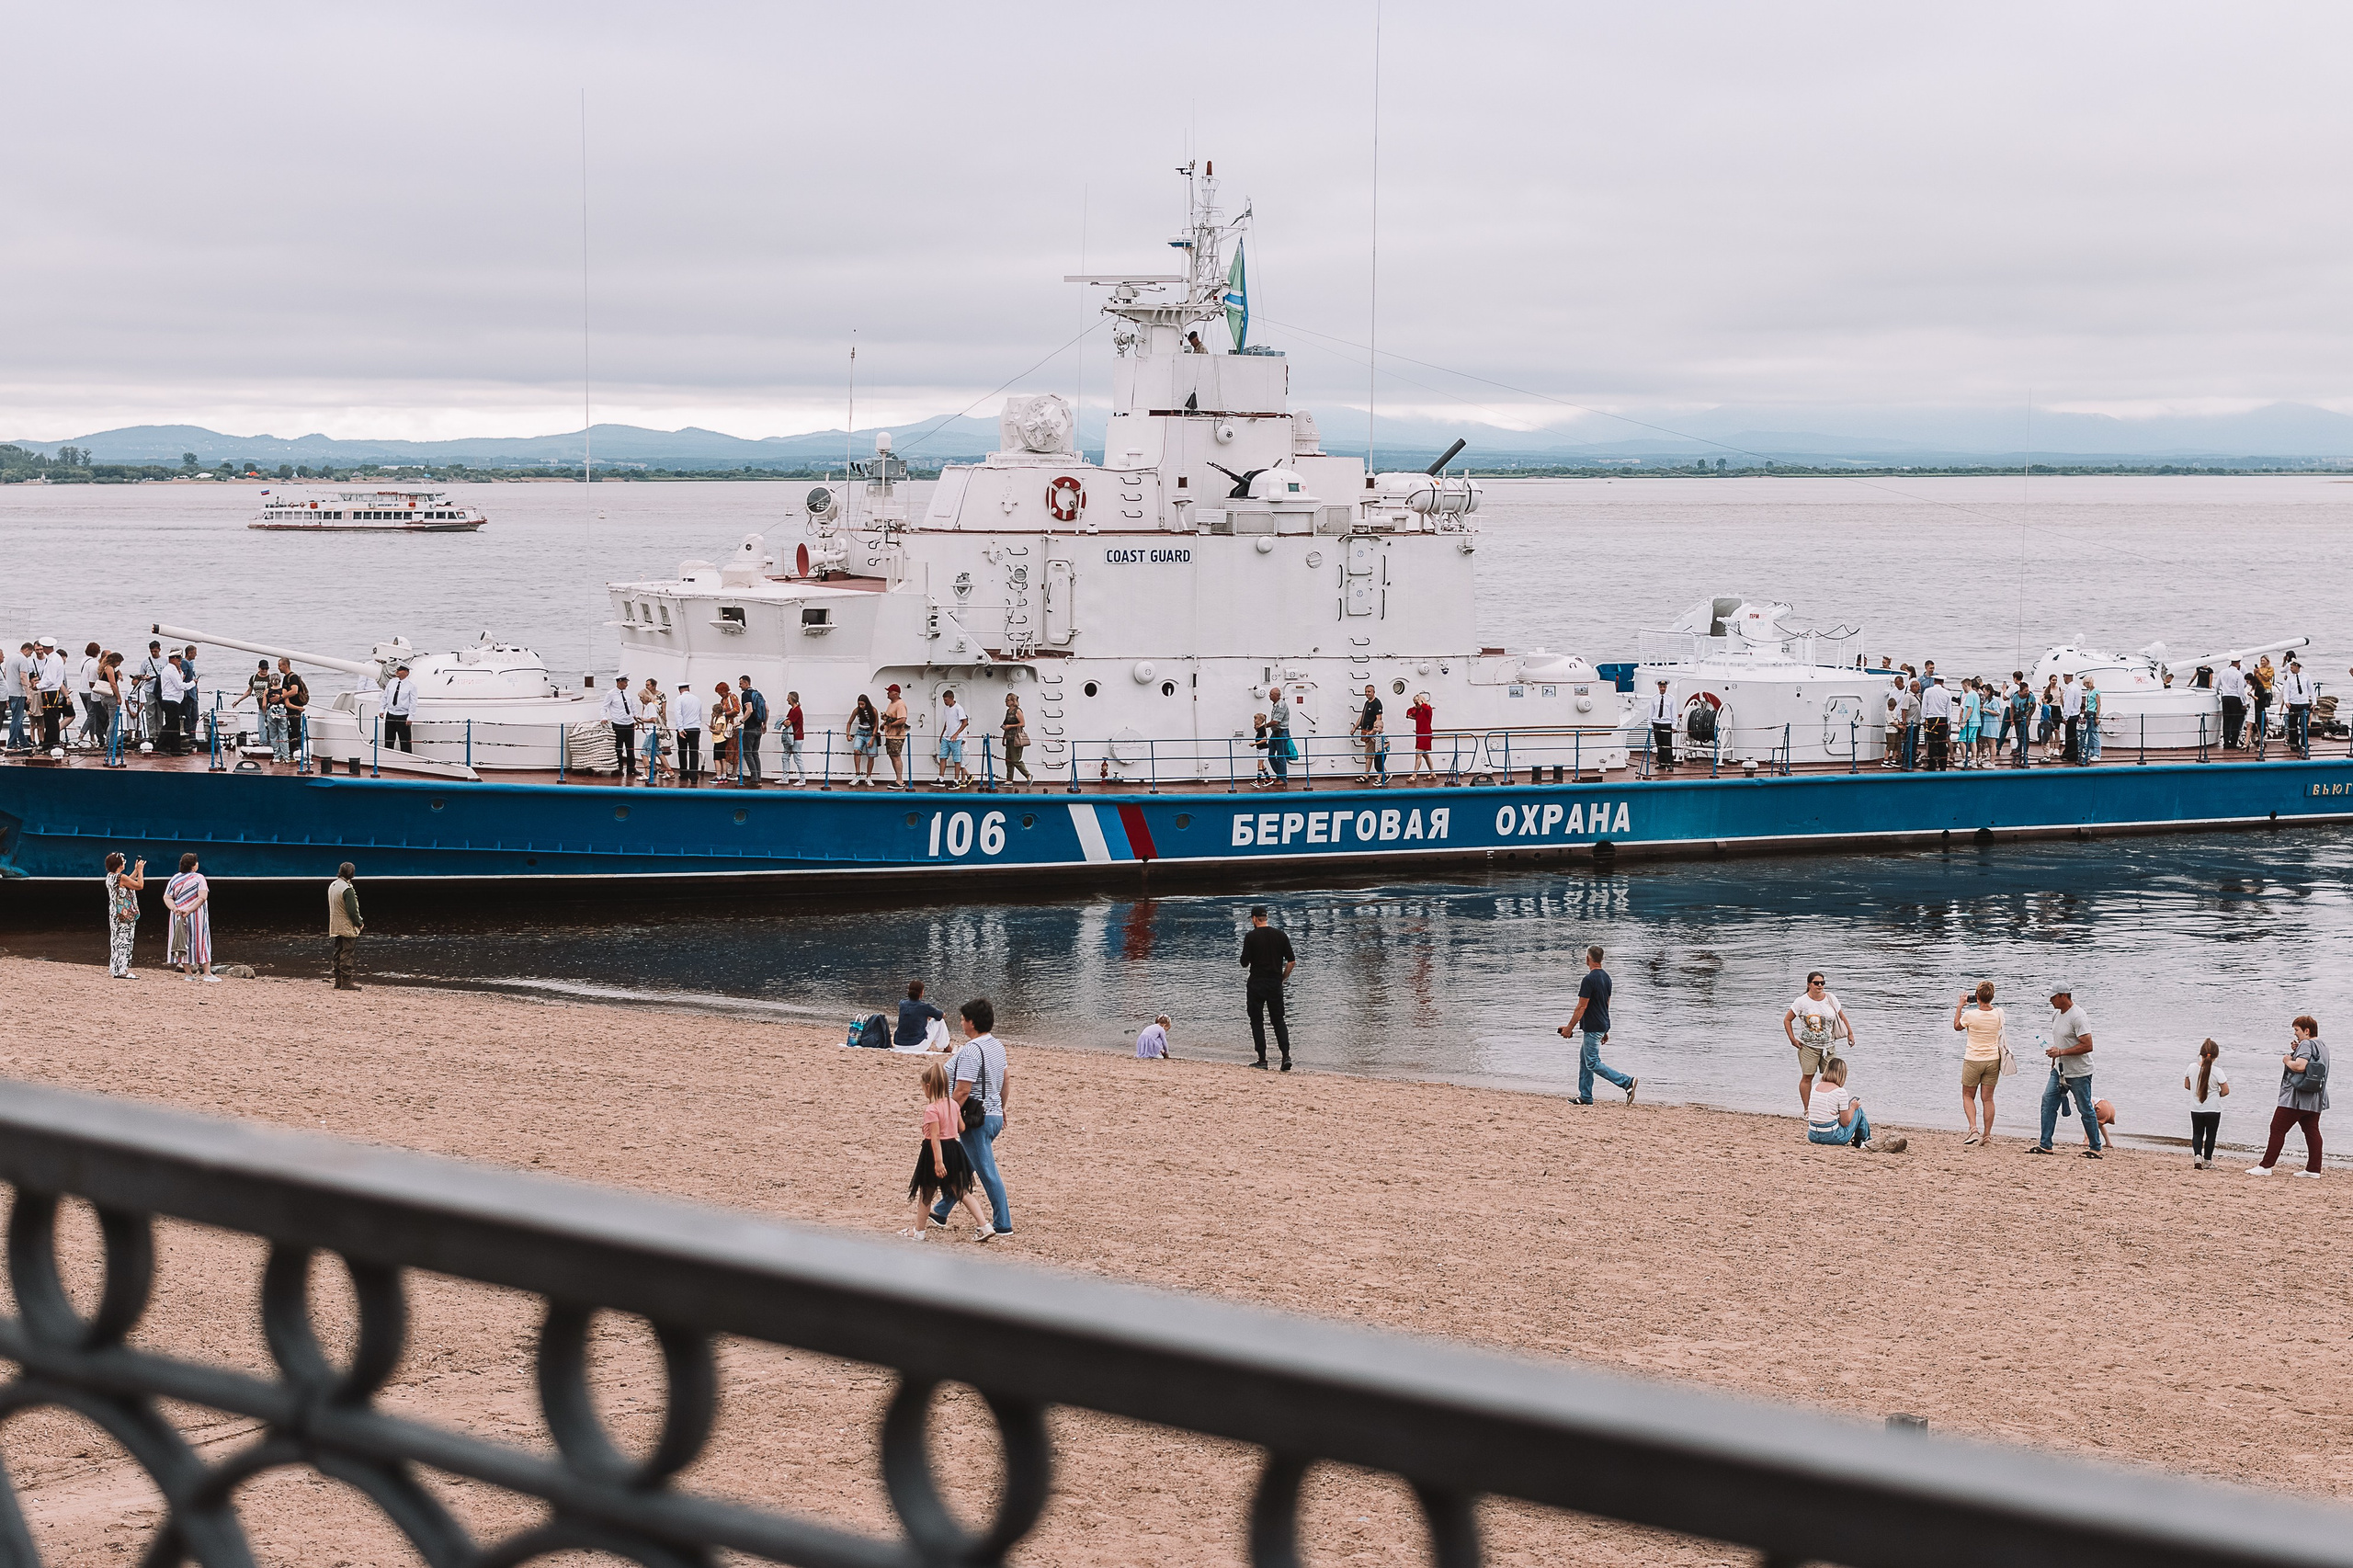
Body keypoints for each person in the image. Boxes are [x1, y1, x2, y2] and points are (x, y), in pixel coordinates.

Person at [928, 998, 1013, 1240]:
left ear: (972, 1023)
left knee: (986, 1170)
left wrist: (948, 1114)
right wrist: (1002, 1107)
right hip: (993, 1115)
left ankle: (1003, 1223)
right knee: (967, 1166)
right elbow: (1005, 1080)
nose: (961, 1023)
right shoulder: (997, 1046)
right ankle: (941, 1211)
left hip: (976, 1119)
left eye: (964, 1019)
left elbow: (964, 1089)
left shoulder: (972, 1051)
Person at [901, 1059, 988, 1240]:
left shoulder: (932, 1109)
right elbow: (961, 1128)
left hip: (935, 1153)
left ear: (929, 1086)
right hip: (954, 1149)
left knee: (926, 1191)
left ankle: (919, 1231)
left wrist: (938, 1162)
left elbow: (934, 1138)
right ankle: (984, 1225)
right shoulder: (953, 1105)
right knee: (961, 1190)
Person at [2248, 1016, 2327, 1177]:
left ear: (2307, 1030)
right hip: (2315, 1097)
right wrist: (2296, 1050)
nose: (2295, 1034)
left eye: (2297, 1030)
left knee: (2277, 1128)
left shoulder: (2306, 1044)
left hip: (2296, 1097)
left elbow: (2300, 1066)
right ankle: (2313, 1169)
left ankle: (2266, 1166)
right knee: (2312, 1131)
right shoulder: (2322, 1045)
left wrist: (2287, 1060)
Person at [1558, 945, 1637, 1105]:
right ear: (1602, 959)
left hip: (1594, 1026)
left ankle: (1626, 1082)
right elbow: (1605, 1004)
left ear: (1587, 959)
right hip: (1600, 1025)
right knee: (1585, 1060)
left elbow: (1582, 1006)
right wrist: (1605, 1029)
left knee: (1592, 1062)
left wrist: (1569, 1028)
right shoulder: (1607, 978)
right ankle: (1585, 1096)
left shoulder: (1589, 980)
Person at [2031, 983, 2101, 1156]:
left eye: (2053, 997)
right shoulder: (2056, 1014)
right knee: (2047, 1103)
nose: (2050, 1000)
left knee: (2085, 1108)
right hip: (2059, 1071)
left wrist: (2061, 1052)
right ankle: (2045, 1144)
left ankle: (2095, 1146)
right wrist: (2054, 1061)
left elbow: (2088, 1045)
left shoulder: (2078, 1016)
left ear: (2064, 996)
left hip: (2079, 1072)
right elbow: (2059, 1042)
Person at [1783, 971, 1853, 1113]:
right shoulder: (1801, 1001)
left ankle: (1828, 1108)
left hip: (1829, 1047)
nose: (1820, 985)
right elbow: (1787, 1020)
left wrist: (1850, 1033)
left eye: (1822, 983)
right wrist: (1792, 1039)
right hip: (1808, 1046)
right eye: (1816, 983)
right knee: (1808, 1077)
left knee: (1832, 1078)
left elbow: (1842, 1016)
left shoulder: (1830, 998)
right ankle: (1808, 1110)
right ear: (1809, 984)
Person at [1803, 1059, 1907, 1153]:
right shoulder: (1840, 1092)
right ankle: (1864, 1140)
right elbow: (1845, 1122)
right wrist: (1853, 1108)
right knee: (1858, 1111)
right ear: (1842, 1074)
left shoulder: (1815, 1086)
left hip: (1813, 1135)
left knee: (1848, 1109)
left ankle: (1863, 1140)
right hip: (1832, 1137)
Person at [1239, 904, 1296, 1071]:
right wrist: (1283, 978)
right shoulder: (1281, 935)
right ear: (1266, 918)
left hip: (1256, 983)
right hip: (1274, 984)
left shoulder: (1251, 936)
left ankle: (1262, 1060)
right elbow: (1292, 961)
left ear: (1254, 919)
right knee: (1278, 1020)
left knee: (1257, 1022)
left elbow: (1244, 963)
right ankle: (1286, 1056)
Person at [1952, 981, 2006, 1145]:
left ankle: (1973, 1129)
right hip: (1992, 1060)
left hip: (1973, 1059)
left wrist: (1960, 1006)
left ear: (1976, 997)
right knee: (1988, 1099)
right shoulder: (1999, 1013)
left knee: (1968, 1095)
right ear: (1992, 996)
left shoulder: (1970, 1015)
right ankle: (1987, 1135)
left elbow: (1957, 1027)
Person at [165, 852, 218, 983]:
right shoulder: (199, 878)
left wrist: (175, 909)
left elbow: (167, 896)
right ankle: (207, 973)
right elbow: (202, 897)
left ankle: (189, 974)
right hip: (196, 916)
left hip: (177, 916)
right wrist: (189, 910)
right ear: (194, 866)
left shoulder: (175, 878)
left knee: (182, 943)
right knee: (203, 941)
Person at [2186, 1037, 2229, 1169]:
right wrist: (2217, 1095)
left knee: (2197, 1133)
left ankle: (2197, 1155)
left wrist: (2195, 1090)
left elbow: (2187, 1085)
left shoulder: (2192, 1067)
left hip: (2196, 1108)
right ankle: (2208, 1160)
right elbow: (2226, 1091)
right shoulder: (2217, 1071)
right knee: (2211, 1135)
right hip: (2213, 1108)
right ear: (2216, 1056)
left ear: (2201, 1053)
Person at [104, 852, 144, 978]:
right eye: (123, 860)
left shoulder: (111, 877)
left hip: (115, 914)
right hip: (124, 915)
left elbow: (128, 881)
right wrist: (140, 871)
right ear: (119, 864)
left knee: (116, 940)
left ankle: (115, 968)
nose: (125, 862)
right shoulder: (121, 878)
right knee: (125, 941)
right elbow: (139, 885)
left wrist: (135, 870)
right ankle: (122, 970)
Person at [327, 861, 363, 990]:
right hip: (347, 926)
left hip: (335, 924)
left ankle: (338, 981)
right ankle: (346, 982)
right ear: (352, 873)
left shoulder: (333, 885)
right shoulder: (347, 889)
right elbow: (352, 910)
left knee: (337, 952)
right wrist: (359, 922)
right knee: (347, 953)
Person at [602, 673, 637, 780]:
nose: (626, 685)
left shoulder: (627, 694)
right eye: (625, 682)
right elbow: (604, 707)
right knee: (619, 748)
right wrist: (603, 717)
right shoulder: (611, 694)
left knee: (630, 747)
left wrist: (637, 718)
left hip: (629, 723)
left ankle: (631, 768)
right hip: (618, 724)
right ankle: (619, 768)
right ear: (619, 682)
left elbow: (632, 706)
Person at [33, 638, 67, 752]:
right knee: (49, 718)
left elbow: (50, 679)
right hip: (49, 690)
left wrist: (38, 686)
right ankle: (48, 742)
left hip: (50, 691)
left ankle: (53, 742)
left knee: (51, 718)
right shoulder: (54, 658)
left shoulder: (53, 660)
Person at [896, 980, 946, 1051]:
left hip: (899, 1045)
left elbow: (914, 1013)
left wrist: (925, 1015)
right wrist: (929, 1015)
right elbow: (941, 1015)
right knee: (940, 1021)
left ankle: (944, 1045)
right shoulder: (925, 1007)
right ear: (922, 992)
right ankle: (945, 1046)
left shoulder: (902, 1004)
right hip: (917, 1045)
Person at [634, 678, 667, 784]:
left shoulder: (651, 705)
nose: (640, 699)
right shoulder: (648, 705)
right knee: (657, 751)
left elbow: (653, 718)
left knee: (644, 752)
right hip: (651, 730)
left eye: (640, 697)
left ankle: (647, 774)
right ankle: (670, 772)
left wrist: (642, 720)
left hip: (652, 731)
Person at [2280, 658, 2314, 757]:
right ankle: (2294, 744)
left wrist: (2314, 701)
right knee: (2292, 725)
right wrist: (2286, 701)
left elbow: (2311, 689)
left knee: (2304, 724)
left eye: (2292, 667)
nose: (2290, 669)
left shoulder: (2306, 676)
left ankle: (2304, 743)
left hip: (2304, 703)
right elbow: (2286, 690)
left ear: (2297, 667)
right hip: (2293, 703)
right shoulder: (2290, 678)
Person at [738, 676, 768, 785]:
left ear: (746, 683)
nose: (739, 686)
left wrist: (741, 721)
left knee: (748, 753)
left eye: (741, 684)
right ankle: (758, 778)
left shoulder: (746, 694)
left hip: (750, 728)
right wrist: (764, 724)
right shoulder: (758, 693)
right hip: (758, 727)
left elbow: (749, 709)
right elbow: (767, 709)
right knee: (755, 753)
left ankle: (754, 779)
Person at [158, 653, 189, 755]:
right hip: (171, 701)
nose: (180, 663)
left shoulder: (172, 670)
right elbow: (180, 686)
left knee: (175, 726)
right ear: (173, 659)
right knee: (170, 726)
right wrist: (193, 683)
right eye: (179, 661)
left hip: (173, 701)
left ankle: (175, 749)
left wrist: (180, 674)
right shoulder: (170, 670)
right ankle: (159, 747)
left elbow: (177, 681)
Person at [938, 688, 971, 785]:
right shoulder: (946, 708)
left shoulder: (958, 708)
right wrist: (942, 734)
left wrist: (956, 734)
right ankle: (941, 778)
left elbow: (965, 722)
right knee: (942, 757)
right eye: (944, 700)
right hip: (946, 737)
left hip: (956, 738)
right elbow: (947, 722)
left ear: (952, 699)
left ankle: (956, 780)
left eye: (946, 700)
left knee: (957, 759)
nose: (945, 702)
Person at [673, 681, 704, 783]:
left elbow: (678, 714)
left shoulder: (679, 699)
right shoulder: (697, 699)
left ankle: (684, 773)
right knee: (694, 752)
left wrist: (680, 728)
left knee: (682, 751)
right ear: (688, 689)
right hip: (695, 728)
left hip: (684, 728)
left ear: (679, 690)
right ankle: (694, 777)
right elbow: (700, 714)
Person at [1919, 676, 1952, 771]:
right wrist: (1948, 722)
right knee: (1942, 743)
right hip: (1942, 718)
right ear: (1942, 682)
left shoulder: (1928, 691)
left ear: (1934, 681)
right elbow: (1949, 709)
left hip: (1931, 719)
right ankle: (1943, 766)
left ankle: (1932, 765)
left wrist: (1923, 720)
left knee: (1932, 743)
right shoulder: (1947, 693)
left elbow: (1924, 706)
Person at [381, 663, 416, 752]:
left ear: (406, 672)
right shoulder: (392, 682)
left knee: (405, 741)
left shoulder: (411, 686)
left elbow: (413, 702)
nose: (397, 672)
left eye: (399, 670)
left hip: (402, 716)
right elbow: (385, 696)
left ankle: (407, 759)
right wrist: (382, 709)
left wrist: (410, 717)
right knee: (389, 740)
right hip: (391, 714)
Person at [279, 661, 308, 765]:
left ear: (285, 665)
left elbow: (294, 691)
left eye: (280, 666)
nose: (279, 668)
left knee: (296, 729)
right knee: (291, 729)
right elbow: (286, 697)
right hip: (290, 708)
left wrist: (282, 697)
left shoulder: (293, 677)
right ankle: (292, 752)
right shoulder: (285, 679)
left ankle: (299, 751)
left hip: (296, 708)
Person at [3, 642, 29, 752]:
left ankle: (23, 741)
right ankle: (12, 742)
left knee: (16, 717)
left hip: (10, 692)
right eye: (30, 653)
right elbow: (23, 676)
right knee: (17, 719)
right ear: (27, 650)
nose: (29, 656)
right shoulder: (23, 659)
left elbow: (5, 673)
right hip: (19, 693)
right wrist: (28, 693)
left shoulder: (10, 658)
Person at [1265, 686, 1294, 785]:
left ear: (1277, 695)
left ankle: (1282, 778)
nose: (1269, 696)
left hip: (1281, 733)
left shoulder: (1281, 705)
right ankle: (1280, 775)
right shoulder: (1276, 705)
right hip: (1275, 733)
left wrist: (1263, 726)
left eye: (1271, 694)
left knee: (1281, 756)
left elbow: (1276, 722)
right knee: (1271, 755)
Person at [849, 693, 881, 785]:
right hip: (860, 732)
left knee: (871, 756)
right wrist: (848, 734)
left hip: (870, 733)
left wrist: (872, 738)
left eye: (862, 704)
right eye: (859, 704)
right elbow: (849, 722)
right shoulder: (857, 711)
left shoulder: (873, 710)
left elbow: (876, 725)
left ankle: (869, 777)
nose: (861, 706)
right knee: (856, 751)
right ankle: (857, 775)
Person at [881, 684, 910, 787]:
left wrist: (890, 725)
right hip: (890, 736)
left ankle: (899, 780)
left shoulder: (900, 704)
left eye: (889, 692)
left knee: (896, 756)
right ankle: (898, 779)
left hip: (896, 736)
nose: (887, 693)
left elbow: (902, 719)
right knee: (893, 756)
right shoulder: (892, 704)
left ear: (896, 694)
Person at [2217, 657, 2248, 750]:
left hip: (2225, 697)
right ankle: (2233, 742)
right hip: (2235, 698)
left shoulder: (2222, 672)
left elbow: (2217, 685)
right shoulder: (2239, 674)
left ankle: (2226, 742)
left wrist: (2219, 697)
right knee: (2235, 721)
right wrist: (2243, 702)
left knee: (2226, 721)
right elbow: (2241, 690)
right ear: (2238, 663)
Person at [1357, 683, 1384, 781]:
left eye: (1369, 691)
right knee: (1369, 754)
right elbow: (1362, 716)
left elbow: (1378, 719)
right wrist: (1355, 727)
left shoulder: (1376, 703)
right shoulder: (1367, 703)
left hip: (1371, 733)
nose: (1367, 693)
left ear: (1374, 692)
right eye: (1366, 692)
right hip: (1366, 732)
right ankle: (1384, 773)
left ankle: (1366, 775)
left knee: (1369, 755)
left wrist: (1373, 732)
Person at [1649, 679, 1677, 771]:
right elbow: (1651, 712)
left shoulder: (1671, 698)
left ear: (1666, 687)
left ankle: (1669, 763)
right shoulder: (1654, 698)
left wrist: (1674, 726)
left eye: (1664, 687)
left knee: (1667, 744)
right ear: (1658, 687)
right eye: (1661, 687)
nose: (1662, 688)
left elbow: (1674, 712)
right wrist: (1650, 725)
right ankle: (1661, 762)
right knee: (1659, 744)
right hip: (1657, 723)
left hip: (1666, 723)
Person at [1002, 693, 1030, 783]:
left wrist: (1010, 726)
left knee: (1015, 759)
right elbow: (1005, 724)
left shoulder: (1017, 711)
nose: (1006, 701)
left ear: (1013, 701)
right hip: (1009, 738)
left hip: (1016, 738)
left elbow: (1022, 724)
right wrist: (1004, 737)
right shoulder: (1008, 711)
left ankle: (1028, 775)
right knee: (1008, 760)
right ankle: (1009, 780)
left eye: (1008, 700)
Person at [1408, 691, 1436, 777]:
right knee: (1425, 755)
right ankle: (1432, 773)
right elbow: (1409, 712)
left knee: (1418, 754)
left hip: (1425, 734)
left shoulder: (1427, 709)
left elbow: (1427, 709)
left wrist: (1421, 702)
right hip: (1419, 734)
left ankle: (1414, 775)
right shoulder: (1418, 711)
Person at [2080, 676, 2102, 763]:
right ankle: (2092, 752)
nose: (2085, 686)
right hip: (2089, 714)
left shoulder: (2096, 691)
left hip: (2093, 714)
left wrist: (2097, 716)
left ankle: (2097, 754)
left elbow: (2098, 704)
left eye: (2085, 684)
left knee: (2095, 735)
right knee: (2090, 734)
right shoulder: (2089, 692)